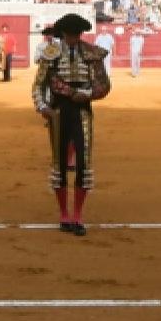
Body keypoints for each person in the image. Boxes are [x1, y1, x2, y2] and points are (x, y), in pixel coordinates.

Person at [32, 13, 111, 237]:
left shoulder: (91, 53)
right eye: (71, 35)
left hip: (83, 110)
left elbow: (104, 85)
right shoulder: (51, 54)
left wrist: (86, 93)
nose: (74, 38)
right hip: (58, 111)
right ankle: (64, 215)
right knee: (58, 163)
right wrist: (42, 107)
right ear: (64, 34)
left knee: (84, 163)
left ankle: (77, 216)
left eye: (77, 34)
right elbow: (38, 85)